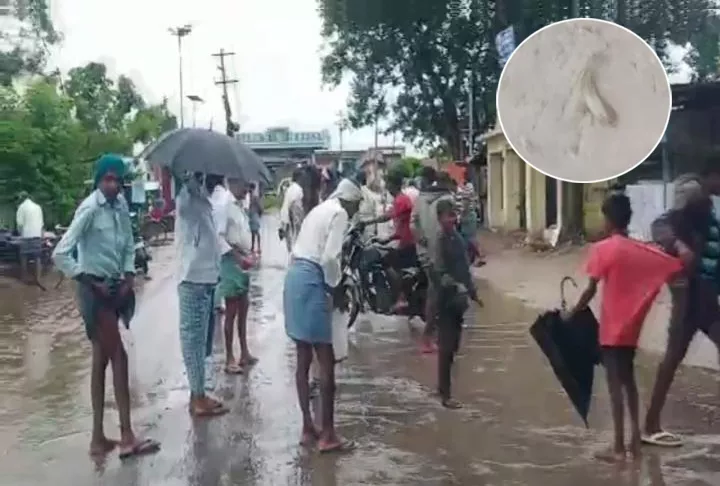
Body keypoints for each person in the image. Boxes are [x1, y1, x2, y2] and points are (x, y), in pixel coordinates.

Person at [53, 154, 160, 459]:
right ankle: (127, 436)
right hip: (94, 291)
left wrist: (128, 275)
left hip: (115, 289)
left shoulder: (121, 205)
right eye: (107, 179)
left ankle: (98, 438)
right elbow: (61, 253)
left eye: (117, 179)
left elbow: (127, 243)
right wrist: (87, 279)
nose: (113, 184)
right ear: (98, 180)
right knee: (119, 357)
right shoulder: (89, 209)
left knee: (100, 359)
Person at [563, 194, 682, 462]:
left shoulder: (604, 249)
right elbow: (666, 263)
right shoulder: (637, 249)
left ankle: (617, 447)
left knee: (615, 386)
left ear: (607, 219)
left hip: (611, 329)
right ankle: (634, 442)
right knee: (629, 383)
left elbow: (590, 290)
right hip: (631, 328)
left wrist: (572, 313)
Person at [284, 178, 362, 453]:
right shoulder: (339, 213)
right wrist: (335, 287)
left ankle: (308, 427)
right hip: (313, 279)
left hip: (294, 277)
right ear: (350, 202)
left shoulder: (319, 209)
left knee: (303, 358)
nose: (354, 214)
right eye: (356, 208)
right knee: (326, 360)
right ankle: (328, 434)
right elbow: (330, 258)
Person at [643, 167, 720, 447]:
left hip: (707, 300)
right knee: (671, 360)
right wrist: (678, 245)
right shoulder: (692, 193)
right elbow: (661, 224)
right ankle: (650, 425)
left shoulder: (710, 212)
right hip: (689, 297)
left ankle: (650, 423)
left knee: (671, 360)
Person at [175, 172, 228, 418]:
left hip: (206, 278)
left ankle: (199, 393)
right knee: (194, 342)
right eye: (216, 177)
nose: (219, 181)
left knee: (203, 342)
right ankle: (197, 397)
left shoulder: (202, 199)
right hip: (193, 277)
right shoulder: (188, 197)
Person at [431, 199, 482, 409]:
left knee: (452, 347)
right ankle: (445, 395)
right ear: (440, 218)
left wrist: (473, 292)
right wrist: (455, 285)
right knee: (446, 346)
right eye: (448, 216)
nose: (452, 219)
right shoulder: (440, 240)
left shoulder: (457, 238)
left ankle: (442, 388)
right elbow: (438, 272)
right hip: (445, 300)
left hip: (458, 301)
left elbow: (464, 268)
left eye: (454, 215)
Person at [359, 168, 417, 311]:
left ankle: (401, 298)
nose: (386, 187)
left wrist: (367, 222)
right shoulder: (400, 199)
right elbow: (399, 224)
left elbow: (387, 216)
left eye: (388, 184)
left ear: (393, 185)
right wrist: (385, 238)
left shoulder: (401, 200)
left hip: (407, 243)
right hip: (404, 240)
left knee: (388, 263)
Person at [412, 168, 456, 353]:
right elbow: (451, 226)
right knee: (438, 295)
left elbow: (413, 221)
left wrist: (420, 237)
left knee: (436, 293)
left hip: (425, 253)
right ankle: (429, 337)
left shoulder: (421, 198)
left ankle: (434, 336)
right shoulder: (448, 199)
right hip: (442, 253)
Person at [216, 178, 257, 374]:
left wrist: (249, 254)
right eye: (245, 185)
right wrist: (238, 257)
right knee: (231, 310)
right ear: (233, 182)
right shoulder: (225, 205)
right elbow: (219, 237)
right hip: (231, 260)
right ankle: (229, 357)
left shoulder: (241, 205)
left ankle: (244, 352)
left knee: (244, 306)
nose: (247, 189)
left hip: (242, 258)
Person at [16, 191, 44, 283]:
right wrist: (41, 235)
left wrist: (20, 234)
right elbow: (41, 223)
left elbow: (20, 224)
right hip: (37, 234)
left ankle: (24, 278)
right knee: (37, 257)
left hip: (26, 235)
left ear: (21, 198)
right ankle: (38, 279)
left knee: (24, 256)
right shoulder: (38, 207)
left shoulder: (21, 207)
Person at [279, 168, 304, 253]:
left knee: (289, 244)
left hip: (286, 218)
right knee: (295, 241)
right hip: (292, 219)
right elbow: (296, 208)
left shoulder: (291, 188)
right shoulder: (298, 189)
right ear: (300, 177)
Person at [248, 182, 263, 254]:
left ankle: (257, 247)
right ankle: (254, 247)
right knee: (253, 232)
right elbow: (260, 207)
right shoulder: (251, 197)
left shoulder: (253, 197)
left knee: (255, 232)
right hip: (253, 215)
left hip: (253, 215)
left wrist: (260, 213)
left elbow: (259, 206)